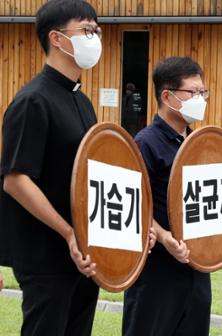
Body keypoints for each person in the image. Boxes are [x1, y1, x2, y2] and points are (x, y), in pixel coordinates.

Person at [122, 57, 222, 336]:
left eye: (203, 92)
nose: (200, 99)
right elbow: (135, 206)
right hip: (156, 272)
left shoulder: (201, 145)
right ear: (167, 96)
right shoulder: (146, 143)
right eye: (192, 92)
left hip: (197, 271)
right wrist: (165, 237)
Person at [0, 1, 102, 335]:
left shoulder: (82, 101)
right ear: (56, 39)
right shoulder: (33, 101)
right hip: (46, 256)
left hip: (84, 255)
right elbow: (16, 180)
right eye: (86, 30)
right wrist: (68, 233)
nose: (95, 37)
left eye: (96, 30)